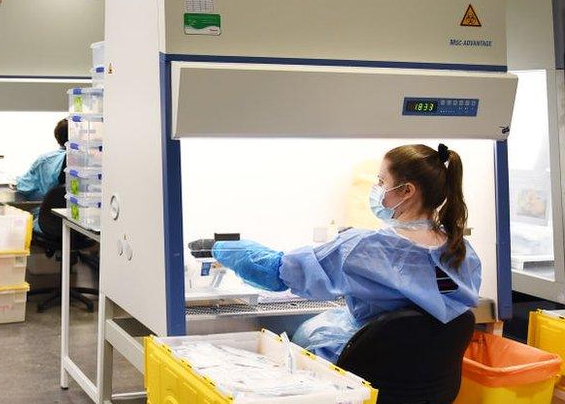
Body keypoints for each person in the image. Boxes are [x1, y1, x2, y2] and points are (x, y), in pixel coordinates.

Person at [205, 144, 481, 360]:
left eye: (382, 182)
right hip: (420, 379)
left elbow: (275, 271)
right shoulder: (461, 251)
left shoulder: (364, 248)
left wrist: (220, 248)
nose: (376, 189)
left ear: (407, 190)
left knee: (299, 343)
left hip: (366, 375)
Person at [14, 118, 68, 232]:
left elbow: (24, 187)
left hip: (50, 222)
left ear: (57, 137)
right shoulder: (87, 163)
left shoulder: (46, 160)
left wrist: (16, 181)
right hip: (80, 227)